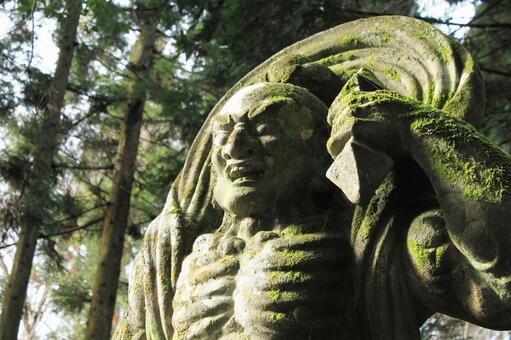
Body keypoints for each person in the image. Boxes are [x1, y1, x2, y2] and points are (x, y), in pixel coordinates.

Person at [114, 16, 511, 340]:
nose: (236, 147)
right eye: (224, 132)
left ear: (321, 152)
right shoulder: (173, 260)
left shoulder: (374, 243)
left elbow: (499, 290)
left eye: (266, 126)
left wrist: (414, 127)